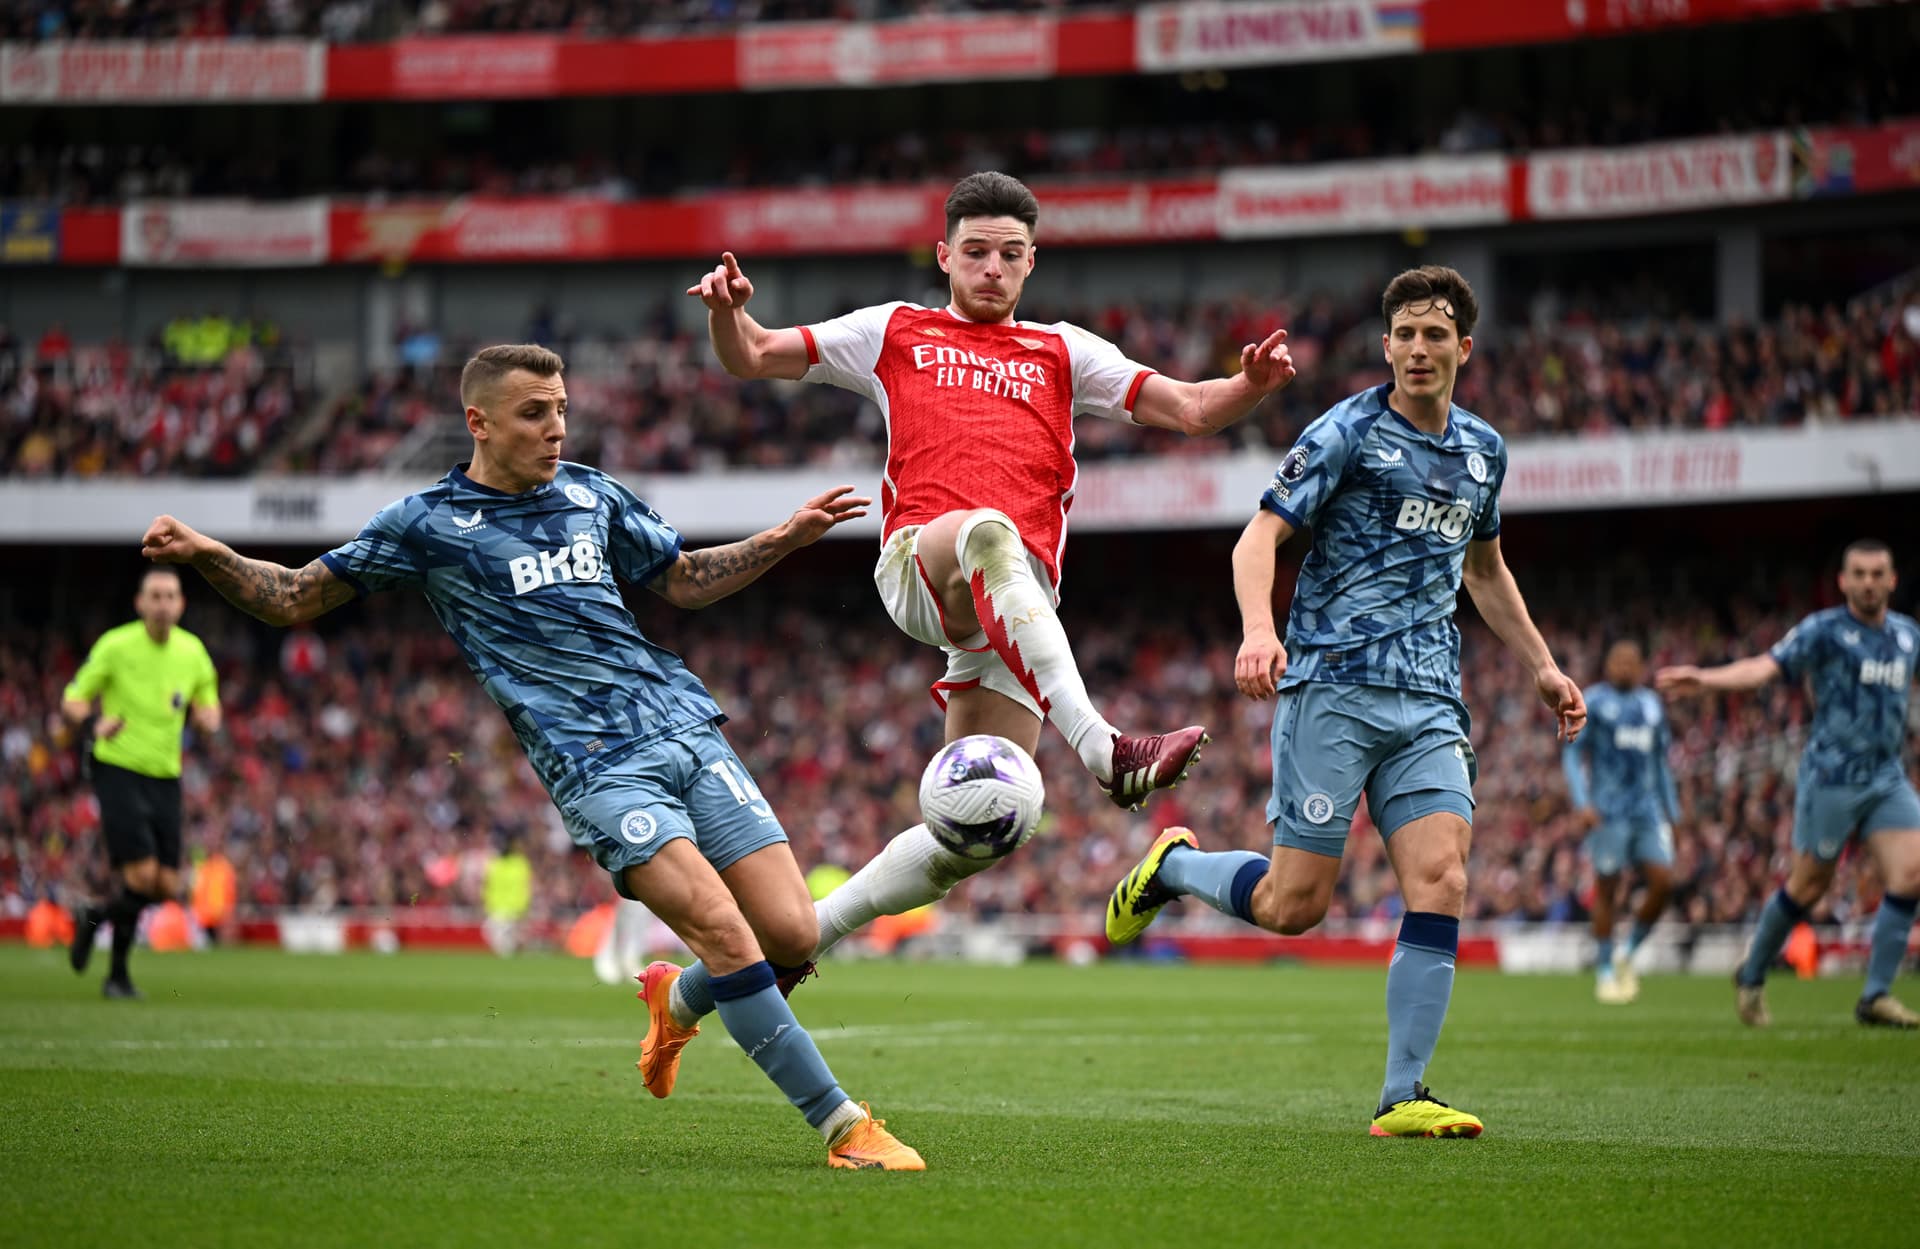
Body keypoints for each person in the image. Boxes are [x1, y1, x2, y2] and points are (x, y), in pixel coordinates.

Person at [139, 343, 925, 1170]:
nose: (556, 429)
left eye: (561, 411)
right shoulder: (428, 524)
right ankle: (844, 1127)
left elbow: (683, 578)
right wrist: (207, 552)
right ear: (478, 422)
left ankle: (675, 997)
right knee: (726, 931)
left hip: (686, 725)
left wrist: (784, 538)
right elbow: (297, 595)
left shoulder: (591, 491)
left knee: (793, 934)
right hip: (599, 766)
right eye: (534, 414)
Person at [654, 171, 1294, 1038]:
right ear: (945, 256)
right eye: (977, 251)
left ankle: (726, 978)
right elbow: (756, 353)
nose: (992, 267)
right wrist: (727, 314)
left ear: (1031, 263)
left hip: (1017, 610)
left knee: (985, 821)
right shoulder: (894, 330)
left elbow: (1189, 408)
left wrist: (1250, 385)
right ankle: (1106, 750)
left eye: (1010, 254)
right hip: (924, 562)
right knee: (990, 530)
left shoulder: (1064, 351)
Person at [1103, 266, 1586, 1139]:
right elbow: (1259, 536)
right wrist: (1259, 629)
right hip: (1332, 688)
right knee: (1295, 906)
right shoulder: (1347, 432)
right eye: (1404, 334)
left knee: (1443, 877)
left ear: (1464, 348)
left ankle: (1403, 1095)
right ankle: (1173, 867)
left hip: (1430, 699)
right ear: (1387, 346)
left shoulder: (1484, 449)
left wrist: (1544, 667)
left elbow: (1485, 570)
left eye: (1435, 334)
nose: (1418, 349)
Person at [1657, 539, 1919, 1029]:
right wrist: (1708, 680)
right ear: (1843, 581)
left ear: (1892, 580)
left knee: (1912, 873)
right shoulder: (1824, 630)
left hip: (1887, 777)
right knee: (1808, 885)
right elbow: (1766, 667)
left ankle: (1876, 996)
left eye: (1877, 573)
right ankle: (1752, 972)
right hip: (1831, 778)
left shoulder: (1908, 636)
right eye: (1859, 573)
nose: (1868, 582)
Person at [61, 566, 221, 999]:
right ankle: (117, 977)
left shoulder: (193, 652)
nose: (163, 604)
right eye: (155, 595)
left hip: (166, 774)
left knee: (167, 885)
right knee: (142, 874)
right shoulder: (116, 646)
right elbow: (72, 700)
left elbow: (209, 705)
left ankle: (94, 916)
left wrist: (208, 719)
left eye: (170, 596)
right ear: (140, 603)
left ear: (181, 605)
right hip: (118, 767)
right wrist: (92, 722)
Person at [1563, 638, 1680, 1004]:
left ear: (1642, 667)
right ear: (1608, 665)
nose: (1625, 667)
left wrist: (1673, 812)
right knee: (1608, 889)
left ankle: (1626, 952)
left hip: (1646, 811)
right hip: (1608, 812)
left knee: (1663, 881)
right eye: (1618, 660)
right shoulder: (1595, 702)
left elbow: (1660, 763)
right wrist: (1582, 803)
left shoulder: (1652, 705)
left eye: (1631, 661)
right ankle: (1604, 970)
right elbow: (1572, 755)